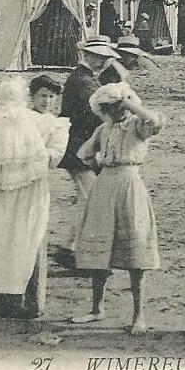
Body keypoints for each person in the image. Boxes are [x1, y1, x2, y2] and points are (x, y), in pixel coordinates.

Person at [70, 82, 165, 334]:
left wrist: (129, 103)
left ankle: (139, 316)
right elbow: (83, 154)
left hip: (130, 184)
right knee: (100, 248)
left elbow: (156, 122)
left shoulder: (137, 125)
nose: (114, 112)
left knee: (136, 250)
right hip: (106, 185)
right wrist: (100, 166)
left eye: (116, 106)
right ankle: (96, 308)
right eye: (109, 108)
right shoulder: (103, 129)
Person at [0, 78, 68, 319]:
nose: (47, 101)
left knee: (28, 238)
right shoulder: (12, 116)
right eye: (42, 96)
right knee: (0, 236)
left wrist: (28, 153)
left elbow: (55, 157)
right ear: (31, 96)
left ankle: (26, 299)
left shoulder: (57, 125)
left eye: (52, 97)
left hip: (33, 186)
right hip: (6, 186)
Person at [60, 38, 120, 252]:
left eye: (105, 58)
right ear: (90, 56)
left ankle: (74, 245)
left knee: (87, 196)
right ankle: (73, 248)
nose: (104, 61)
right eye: (101, 57)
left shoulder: (82, 78)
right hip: (78, 146)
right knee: (89, 198)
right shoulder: (85, 82)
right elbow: (96, 112)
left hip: (78, 144)